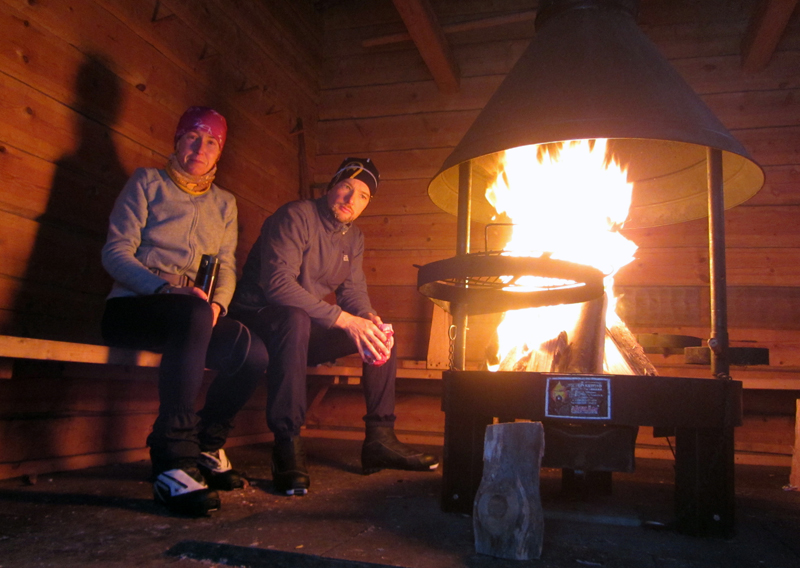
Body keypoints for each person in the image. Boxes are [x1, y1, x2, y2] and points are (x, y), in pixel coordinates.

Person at [228, 157, 439, 496]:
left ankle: (380, 439)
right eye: (346, 187)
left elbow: (352, 291)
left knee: (380, 334)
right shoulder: (296, 216)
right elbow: (279, 286)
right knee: (295, 318)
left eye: (363, 196)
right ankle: (287, 443)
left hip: (300, 330)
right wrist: (344, 319)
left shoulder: (353, 238)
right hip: (258, 321)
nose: (351, 199)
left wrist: (366, 317)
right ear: (332, 187)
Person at [101, 107, 269, 516]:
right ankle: (172, 459)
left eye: (211, 141)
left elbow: (226, 265)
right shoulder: (147, 182)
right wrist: (163, 289)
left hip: (194, 314)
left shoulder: (225, 203)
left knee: (253, 352)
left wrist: (218, 306)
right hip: (134, 307)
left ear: (219, 152)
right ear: (177, 141)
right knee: (191, 313)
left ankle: (208, 444)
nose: (200, 147)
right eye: (192, 137)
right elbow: (115, 252)